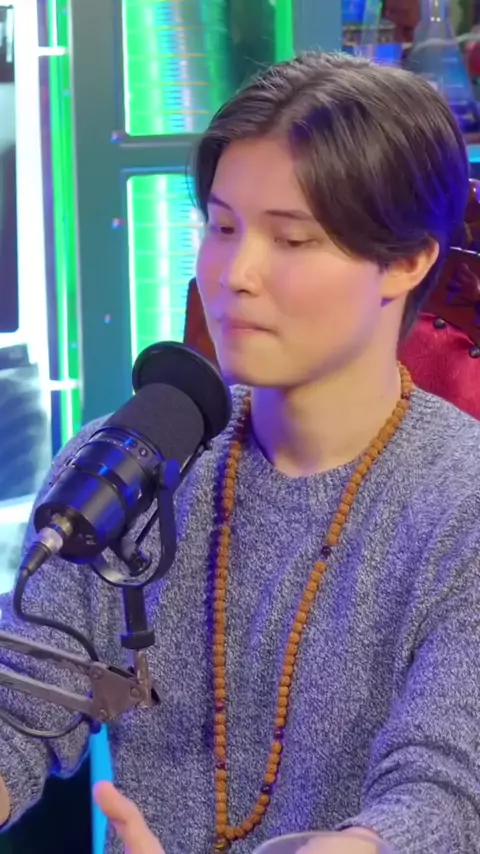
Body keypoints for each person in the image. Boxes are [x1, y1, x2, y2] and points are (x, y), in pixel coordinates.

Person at [1, 50, 480, 854]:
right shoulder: (128, 463)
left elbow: (448, 785)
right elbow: (21, 708)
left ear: (406, 261)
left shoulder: (461, 500)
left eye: (291, 239)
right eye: (222, 227)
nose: (235, 274)